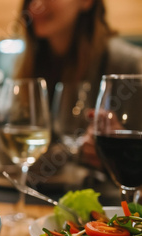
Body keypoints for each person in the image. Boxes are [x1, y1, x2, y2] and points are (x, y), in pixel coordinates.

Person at [16, 0, 142, 172]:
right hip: (38, 195)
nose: (36, 5)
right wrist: (76, 152)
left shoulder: (129, 65)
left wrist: (120, 150)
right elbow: (5, 148)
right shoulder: (28, 66)